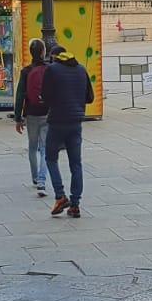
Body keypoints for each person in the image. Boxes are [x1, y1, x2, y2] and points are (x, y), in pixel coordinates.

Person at [41, 43, 95, 217]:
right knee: (76, 164)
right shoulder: (81, 69)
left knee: (50, 158)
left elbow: (46, 96)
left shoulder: (52, 70)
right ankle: (75, 204)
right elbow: (90, 97)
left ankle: (60, 195)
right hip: (76, 122)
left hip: (57, 121)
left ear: (54, 57)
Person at [13, 38, 51, 196]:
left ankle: (35, 178)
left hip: (31, 113)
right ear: (43, 52)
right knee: (45, 149)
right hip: (47, 113)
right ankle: (42, 181)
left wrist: (18, 117)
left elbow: (20, 95)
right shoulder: (49, 69)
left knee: (32, 147)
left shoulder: (26, 71)